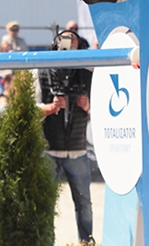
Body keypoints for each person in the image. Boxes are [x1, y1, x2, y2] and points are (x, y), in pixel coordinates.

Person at [36, 31, 94, 244]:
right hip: (50, 150)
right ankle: (45, 241)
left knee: (84, 203)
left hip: (77, 150)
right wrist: (49, 109)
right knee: (45, 203)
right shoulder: (43, 72)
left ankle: (86, 242)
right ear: (56, 44)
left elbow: (103, 110)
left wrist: (87, 106)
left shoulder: (87, 74)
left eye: (73, 41)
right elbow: (32, 107)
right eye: (64, 41)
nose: (69, 45)